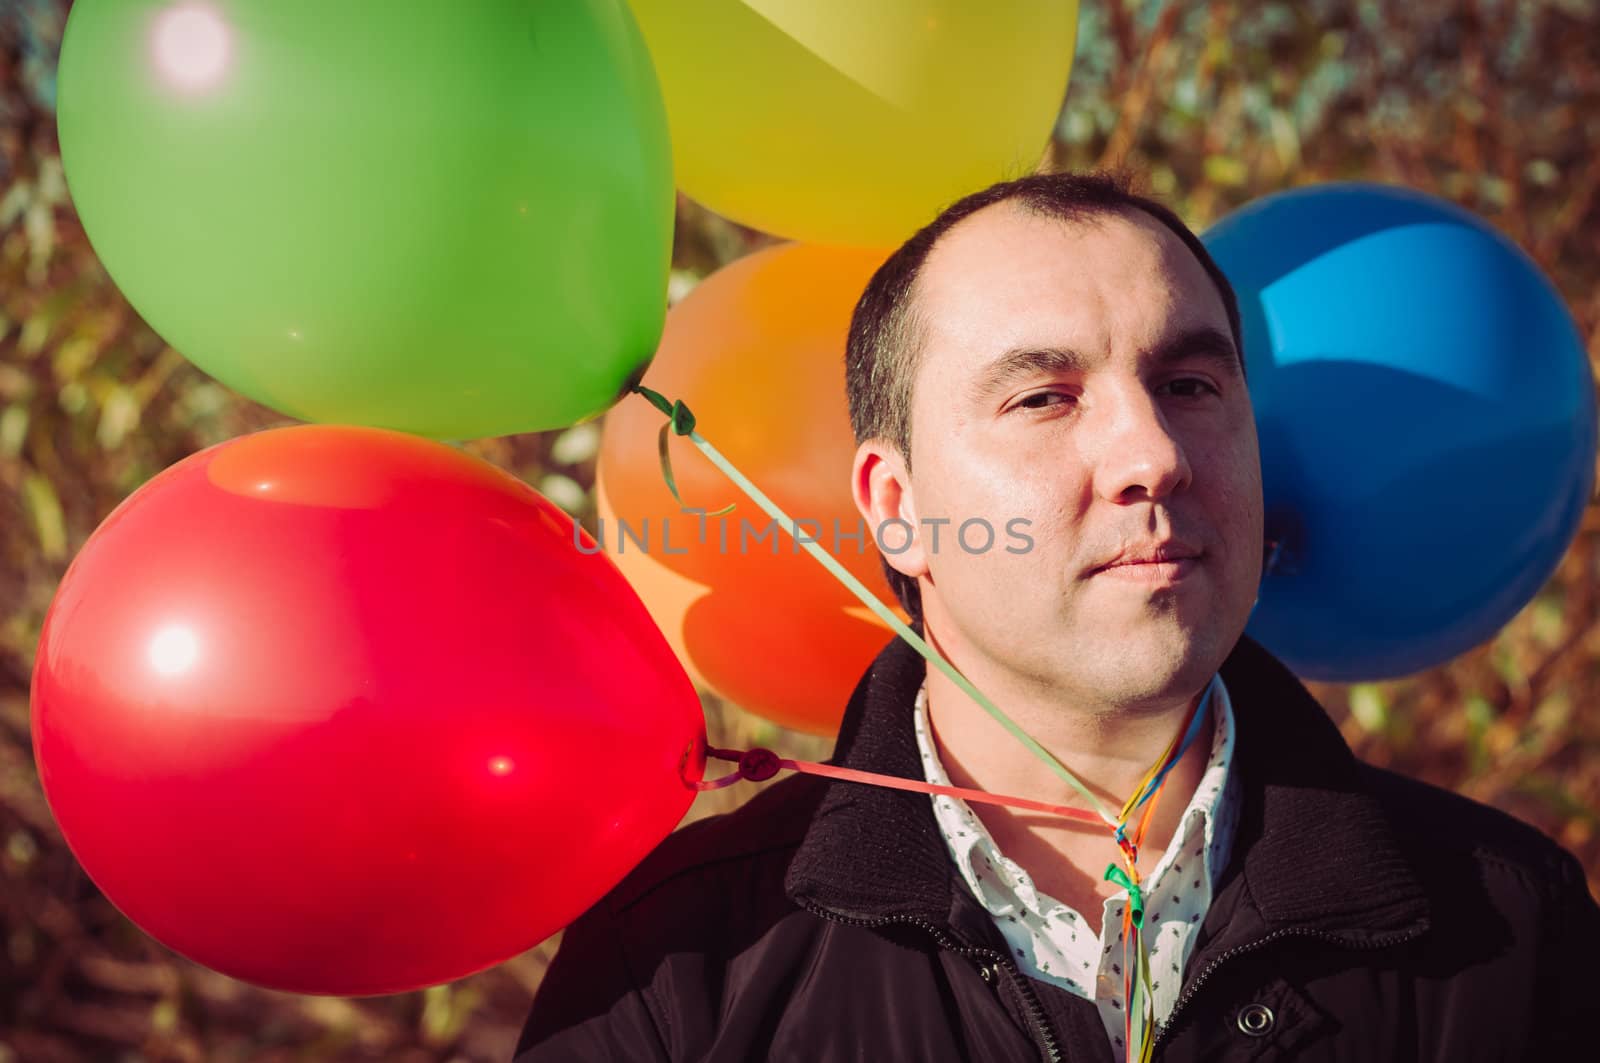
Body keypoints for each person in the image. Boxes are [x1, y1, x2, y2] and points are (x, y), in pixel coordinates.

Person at [513, 173, 1599, 1062]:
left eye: (1189, 385)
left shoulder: (1511, 929)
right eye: (1044, 397)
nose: (1154, 456)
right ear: (898, 508)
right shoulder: (678, 969)